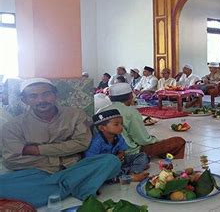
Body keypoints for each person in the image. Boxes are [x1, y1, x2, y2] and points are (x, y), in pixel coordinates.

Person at [0, 78, 120, 207]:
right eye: (33, 96)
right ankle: (76, 186)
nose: (41, 100)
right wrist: (58, 157)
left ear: (56, 95)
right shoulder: (13, 126)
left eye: (46, 94)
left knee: (111, 161)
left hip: (75, 167)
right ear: (25, 100)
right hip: (38, 172)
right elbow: (11, 159)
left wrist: (36, 150)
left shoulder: (75, 115)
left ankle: (56, 190)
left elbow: (82, 143)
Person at [103, 83, 186, 158]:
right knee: (179, 141)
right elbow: (143, 140)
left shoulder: (101, 110)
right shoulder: (130, 112)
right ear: (130, 97)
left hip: (106, 151)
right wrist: (156, 140)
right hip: (129, 152)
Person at [84, 109, 150, 182]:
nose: (121, 127)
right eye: (116, 124)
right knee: (105, 176)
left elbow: (122, 151)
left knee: (142, 156)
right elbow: (91, 162)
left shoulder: (118, 136)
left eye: (121, 124)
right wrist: (114, 160)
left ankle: (132, 172)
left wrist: (119, 157)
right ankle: (130, 175)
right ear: (102, 128)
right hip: (105, 167)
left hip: (119, 162)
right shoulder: (96, 142)